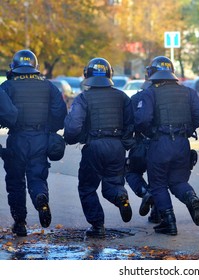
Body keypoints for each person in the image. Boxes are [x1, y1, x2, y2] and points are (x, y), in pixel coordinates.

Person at [134, 56, 199, 235]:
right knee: (178, 181)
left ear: (152, 74)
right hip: (182, 143)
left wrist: (149, 132)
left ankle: (169, 222)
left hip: (160, 143)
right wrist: (187, 130)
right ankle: (191, 197)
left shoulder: (150, 93)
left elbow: (142, 119)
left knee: (158, 184)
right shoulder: (188, 92)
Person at [64, 57, 133, 238]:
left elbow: (73, 127)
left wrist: (70, 139)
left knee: (87, 187)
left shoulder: (83, 98)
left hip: (94, 147)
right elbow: (131, 123)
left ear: (87, 75)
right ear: (110, 74)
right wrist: (124, 142)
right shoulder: (122, 97)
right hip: (117, 146)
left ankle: (97, 226)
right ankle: (121, 197)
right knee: (113, 183)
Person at [0, 49, 67, 236]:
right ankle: (40, 198)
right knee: (37, 177)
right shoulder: (49, 87)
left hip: (17, 139)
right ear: (35, 66)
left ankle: (20, 223)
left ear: (14, 66)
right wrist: (49, 130)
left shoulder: (7, 86)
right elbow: (60, 113)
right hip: (40, 138)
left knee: (15, 182)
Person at [125, 79, 161, 224]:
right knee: (158, 178)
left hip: (140, 144)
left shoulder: (136, 98)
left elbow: (129, 121)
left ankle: (145, 192)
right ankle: (157, 213)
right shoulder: (167, 96)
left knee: (131, 171)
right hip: (160, 143)